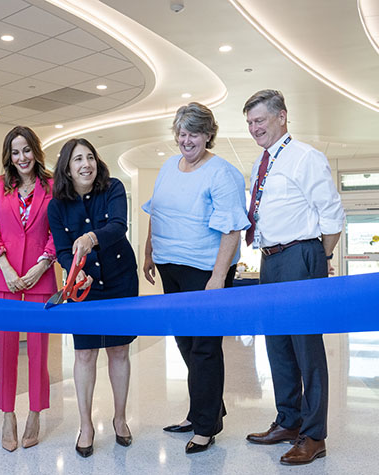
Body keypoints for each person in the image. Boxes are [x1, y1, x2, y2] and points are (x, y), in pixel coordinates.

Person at [241, 89, 344, 466]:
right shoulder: (260, 165)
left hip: (301, 255)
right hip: (269, 260)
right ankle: (288, 420)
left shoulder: (305, 158)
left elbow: (332, 215)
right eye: (250, 123)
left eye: (260, 121)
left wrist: (319, 257)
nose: (255, 129)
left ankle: (314, 435)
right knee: (277, 345)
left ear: (282, 117)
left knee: (306, 348)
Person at [142, 102, 249, 454]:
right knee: (185, 342)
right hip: (170, 266)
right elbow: (154, 211)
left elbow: (233, 226)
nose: (186, 141)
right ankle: (206, 408)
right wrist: (148, 252)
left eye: (194, 134)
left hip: (205, 269)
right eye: (182, 134)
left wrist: (218, 276)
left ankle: (205, 426)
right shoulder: (168, 167)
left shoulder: (222, 172)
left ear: (208, 135)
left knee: (204, 347)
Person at [47, 138, 137, 458]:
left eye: (90, 157)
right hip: (82, 285)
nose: (86, 164)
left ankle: (120, 418)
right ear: (67, 170)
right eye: (77, 160)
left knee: (118, 349)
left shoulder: (112, 187)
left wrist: (90, 237)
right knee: (85, 354)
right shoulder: (57, 205)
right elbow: (61, 250)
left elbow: (118, 226)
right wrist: (75, 270)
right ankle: (85, 424)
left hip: (120, 280)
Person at [0, 126, 57, 452]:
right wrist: (8, 269)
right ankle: (8, 415)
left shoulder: (53, 186)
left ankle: (36, 413)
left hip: (40, 277)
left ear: (35, 151)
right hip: (4, 277)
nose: (22, 157)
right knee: (5, 351)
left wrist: (41, 265)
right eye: (15, 152)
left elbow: (59, 231)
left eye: (26, 150)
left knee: (39, 353)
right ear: (8, 156)